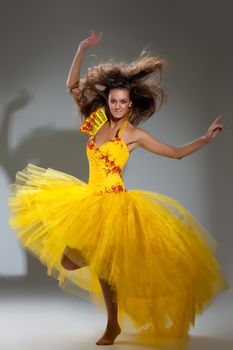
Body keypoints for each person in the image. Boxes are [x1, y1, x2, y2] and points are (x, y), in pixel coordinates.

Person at [8, 30, 228, 346]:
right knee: (70, 261)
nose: (118, 106)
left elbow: (175, 153)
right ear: (108, 101)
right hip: (88, 200)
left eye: (123, 102)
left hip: (115, 203)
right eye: (113, 100)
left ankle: (113, 326)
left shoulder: (134, 135)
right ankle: (117, 301)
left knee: (106, 268)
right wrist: (81, 48)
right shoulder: (97, 120)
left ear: (130, 104)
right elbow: (72, 86)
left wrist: (205, 139)